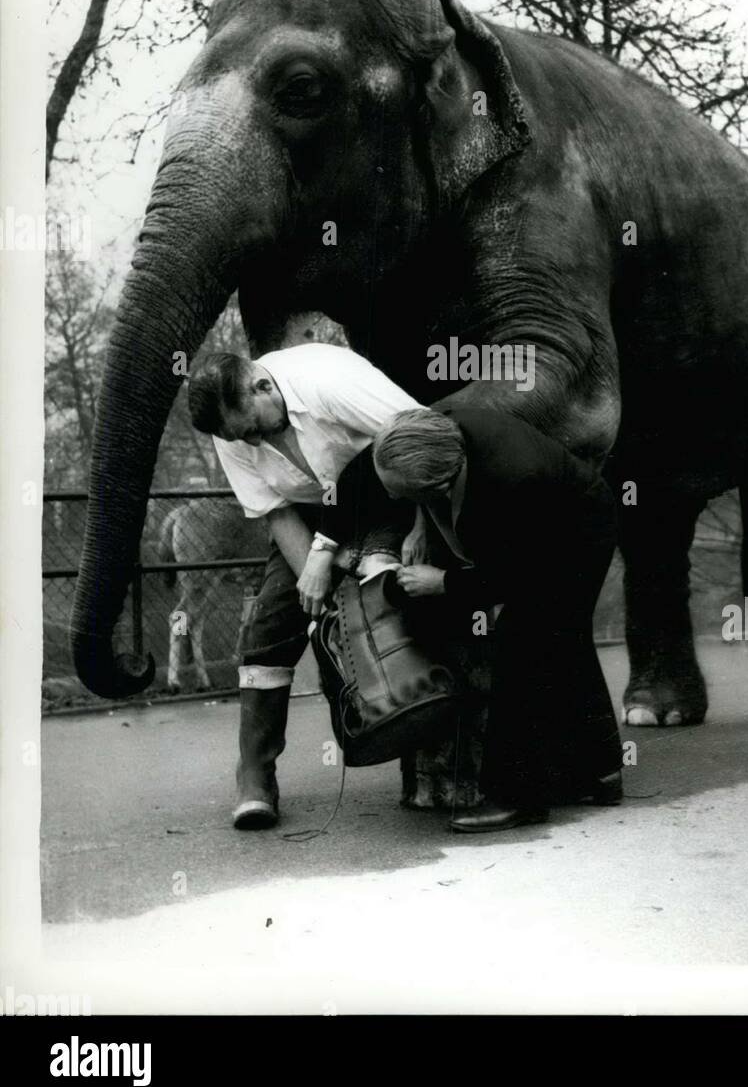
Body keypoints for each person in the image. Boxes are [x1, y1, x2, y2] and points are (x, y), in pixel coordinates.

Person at [187, 342, 423, 829]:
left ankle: (412, 727)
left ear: (263, 385)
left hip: (392, 496)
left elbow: (422, 440)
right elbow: (275, 510)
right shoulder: (230, 429)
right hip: (309, 519)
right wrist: (318, 588)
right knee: (269, 630)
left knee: (383, 600)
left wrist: (423, 528)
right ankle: (255, 776)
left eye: (252, 430)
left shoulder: (328, 380)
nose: (250, 444)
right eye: (240, 439)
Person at [372, 404, 624, 832]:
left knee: (522, 641)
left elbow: (519, 578)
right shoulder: (435, 425)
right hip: (549, 518)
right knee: (566, 639)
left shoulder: (511, 481)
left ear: (440, 481)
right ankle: (598, 772)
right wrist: (419, 522)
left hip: (578, 534)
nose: (393, 498)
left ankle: (516, 796)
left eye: (405, 493)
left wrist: (444, 583)